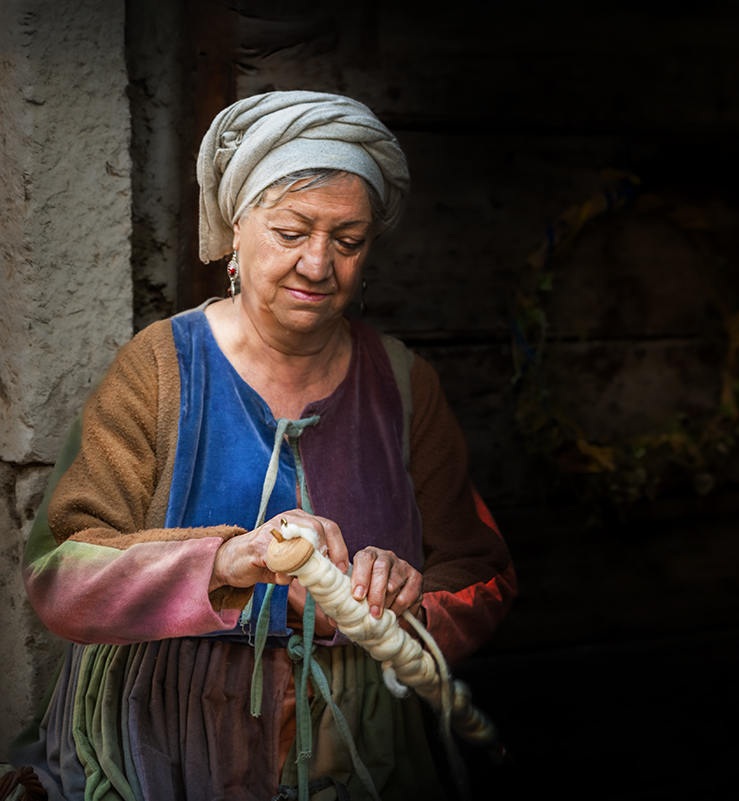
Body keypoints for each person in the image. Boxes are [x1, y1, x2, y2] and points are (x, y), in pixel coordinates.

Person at [14, 91, 517, 800]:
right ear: (236, 231)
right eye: (290, 231)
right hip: (164, 746)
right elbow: (61, 573)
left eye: (348, 241)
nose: (318, 264)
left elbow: (480, 570)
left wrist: (408, 600)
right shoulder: (159, 367)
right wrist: (231, 558)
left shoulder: (406, 384)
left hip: (354, 755)